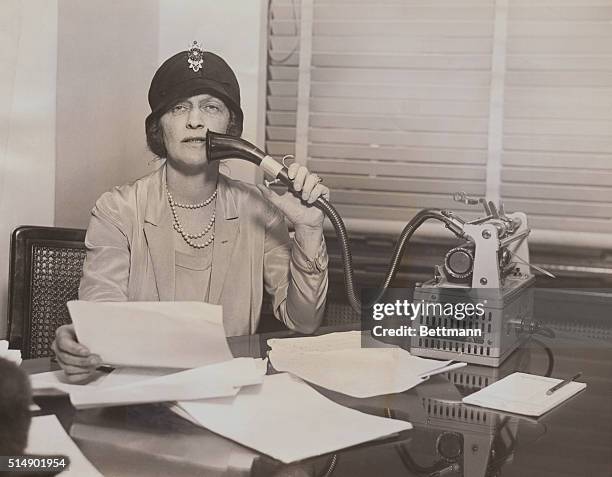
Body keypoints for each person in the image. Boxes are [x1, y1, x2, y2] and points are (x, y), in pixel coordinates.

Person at [52, 43, 330, 382]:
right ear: (159, 128)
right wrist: (83, 341)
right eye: (179, 108)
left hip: (230, 393)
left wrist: (309, 229)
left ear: (230, 126)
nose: (195, 121)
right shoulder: (117, 210)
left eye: (211, 107)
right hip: (142, 393)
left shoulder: (260, 209)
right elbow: (102, 314)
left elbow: (304, 321)